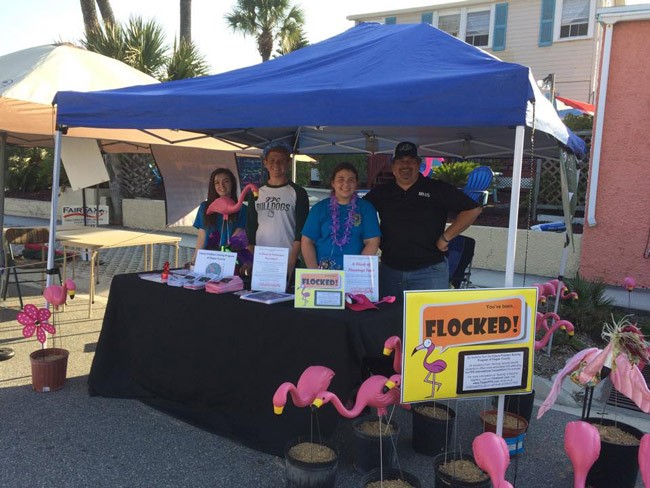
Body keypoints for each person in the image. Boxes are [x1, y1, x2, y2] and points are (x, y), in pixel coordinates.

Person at [364, 141, 482, 297]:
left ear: (418, 164)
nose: (405, 165)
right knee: (390, 320)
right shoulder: (382, 192)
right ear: (393, 166)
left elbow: (473, 209)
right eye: (400, 161)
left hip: (430, 272)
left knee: (429, 320)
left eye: (410, 160)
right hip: (390, 271)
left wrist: (446, 237)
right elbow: (357, 211)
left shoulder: (436, 188)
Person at [246, 142, 310, 283]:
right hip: (261, 259)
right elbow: (251, 226)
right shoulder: (256, 192)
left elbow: (301, 231)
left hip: (287, 259)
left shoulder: (298, 192)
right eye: (272, 161)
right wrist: (251, 258)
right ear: (265, 163)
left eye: (281, 161)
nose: (276, 165)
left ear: (288, 162)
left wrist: (292, 260)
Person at [302, 162, 380, 270]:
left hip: (354, 274)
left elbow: (372, 241)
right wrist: (314, 271)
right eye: (341, 179)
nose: (346, 184)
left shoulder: (366, 208)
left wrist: (358, 270)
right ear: (333, 183)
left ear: (356, 183)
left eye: (351, 180)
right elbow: (307, 241)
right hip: (323, 274)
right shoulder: (319, 208)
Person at [191, 168, 246, 266]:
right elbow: (202, 238)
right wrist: (194, 262)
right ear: (213, 186)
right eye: (217, 182)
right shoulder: (204, 207)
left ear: (232, 184)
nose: (222, 186)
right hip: (208, 259)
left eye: (226, 181)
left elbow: (236, 239)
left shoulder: (242, 209)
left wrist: (222, 259)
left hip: (230, 259)